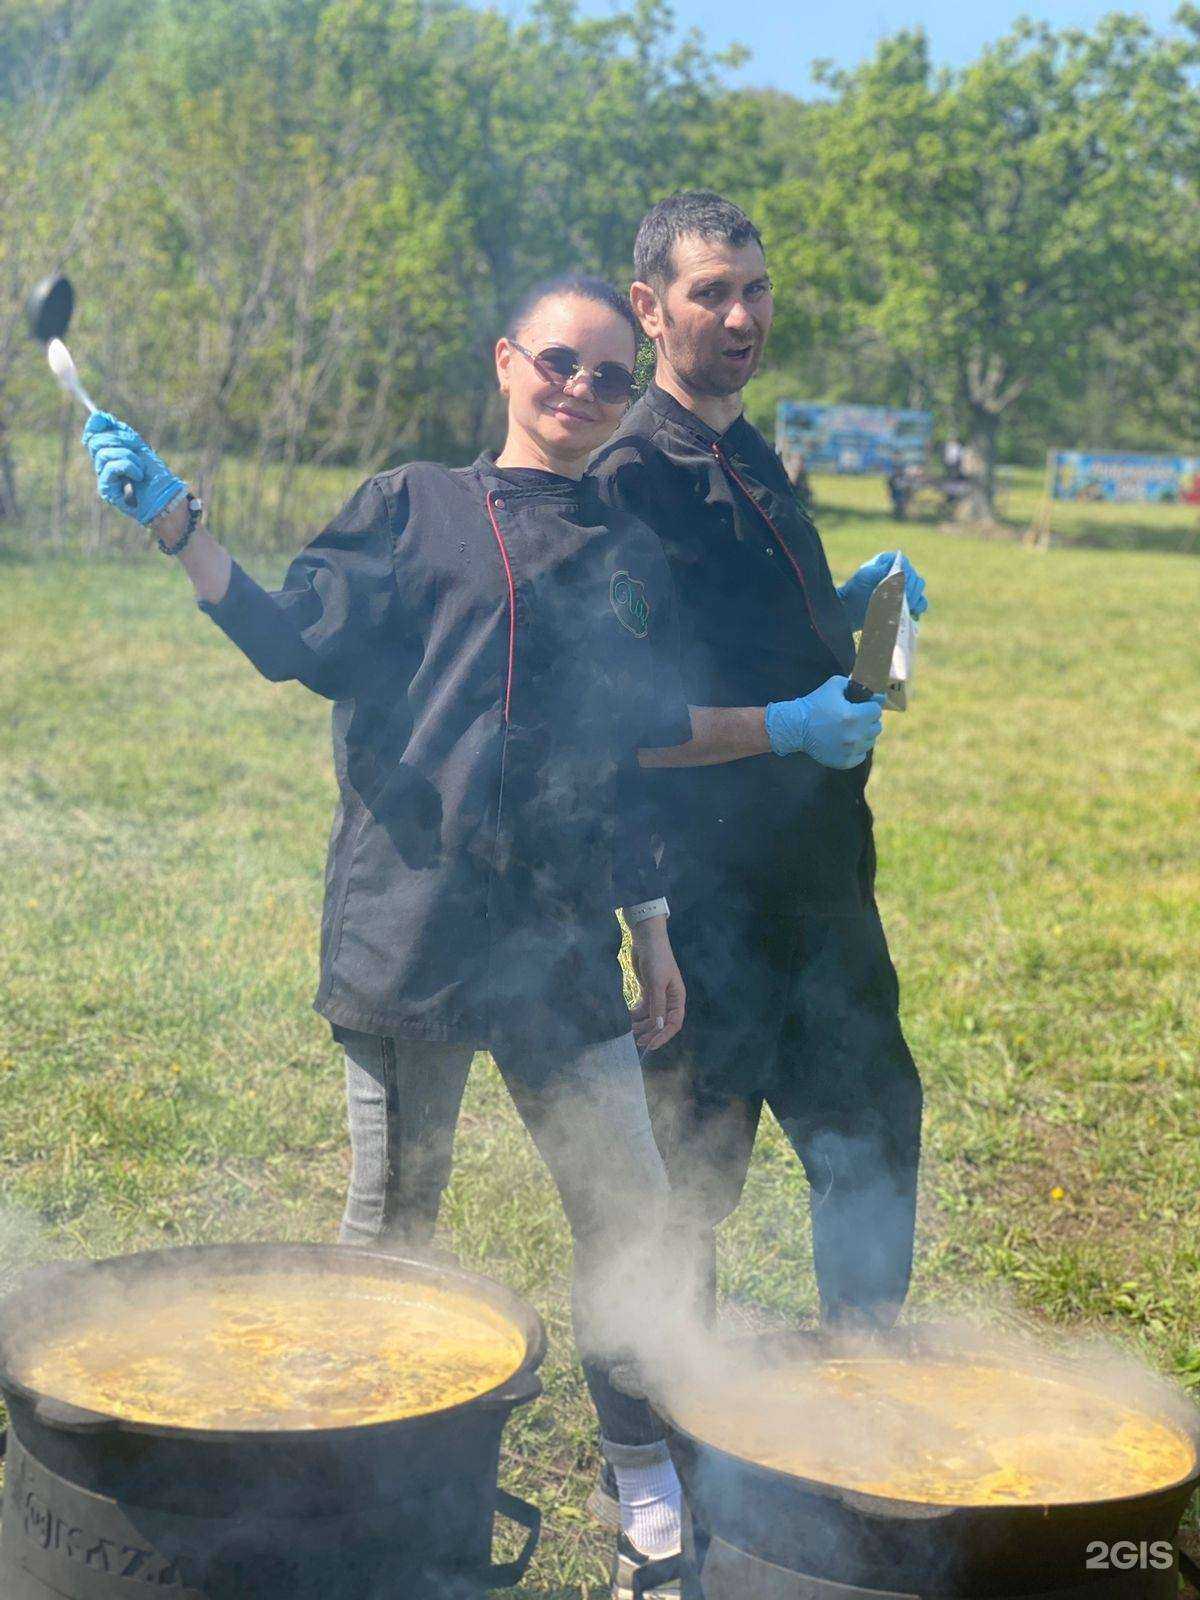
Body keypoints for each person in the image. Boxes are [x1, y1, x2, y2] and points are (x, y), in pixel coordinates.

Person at [82, 275, 705, 1599]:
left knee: (632, 1223)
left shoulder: (630, 556)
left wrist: (652, 924)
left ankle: (642, 1482)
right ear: (503, 362)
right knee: (390, 1229)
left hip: (556, 949)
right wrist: (184, 531)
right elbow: (291, 641)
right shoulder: (410, 508)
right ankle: (363, 1492)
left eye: (610, 377)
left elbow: (631, 760)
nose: (583, 394)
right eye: (559, 364)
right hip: (409, 930)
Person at [588, 192, 928, 1363]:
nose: (742, 315)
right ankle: (670, 1445)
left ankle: (865, 1387)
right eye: (709, 293)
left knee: (874, 1130)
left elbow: (756, 634)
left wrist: (850, 618)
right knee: (689, 1182)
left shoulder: (751, 452)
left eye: (756, 288)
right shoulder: (632, 477)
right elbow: (623, 722)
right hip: (706, 896)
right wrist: (786, 727)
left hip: (823, 881)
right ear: (649, 307)